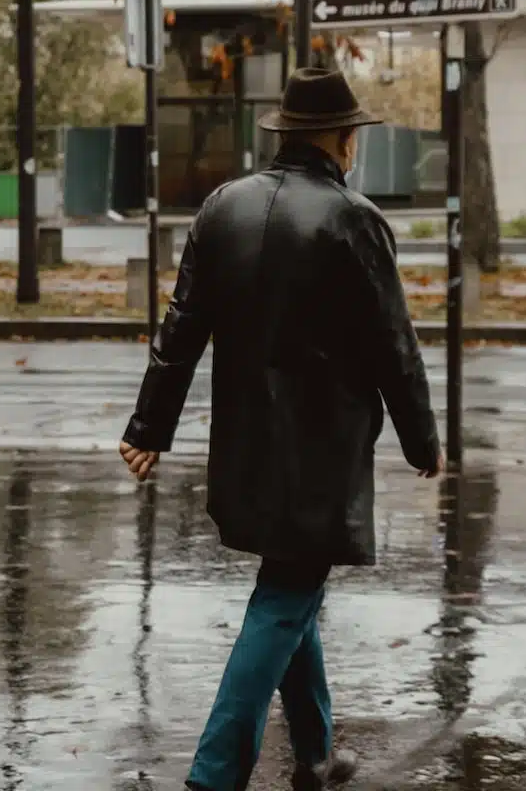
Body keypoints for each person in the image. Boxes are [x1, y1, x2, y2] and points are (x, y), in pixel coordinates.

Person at [120, 67, 444, 791]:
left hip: (243, 449)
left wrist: (149, 425)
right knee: (284, 598)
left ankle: (316, 752)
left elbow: (182, 329)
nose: (354, 143)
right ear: (337, 139)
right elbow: (394, 341)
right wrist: (423, 441)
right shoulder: (352, 218)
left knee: (291, 582)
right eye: (353, 132)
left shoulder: (222, 208)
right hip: (319, 456)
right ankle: (213, 773)